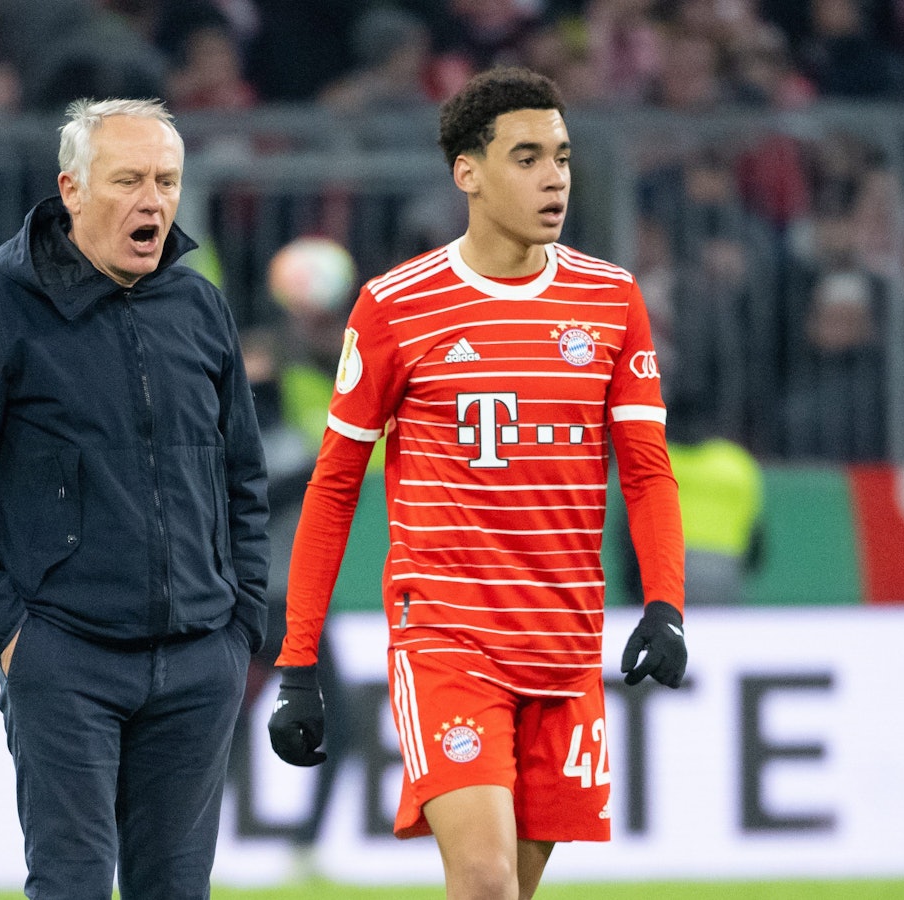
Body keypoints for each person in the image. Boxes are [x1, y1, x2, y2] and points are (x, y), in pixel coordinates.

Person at [266, 66, 687, 900]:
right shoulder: (395, 307)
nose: (554, 177)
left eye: (562, 156)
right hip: (448, 641)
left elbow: (645, 470)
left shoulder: (610, 299)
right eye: (527, 158)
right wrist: (297, 661)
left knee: (510, 893)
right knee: (486, 880)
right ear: (468, 173)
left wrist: (665, 604)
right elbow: (335, 488)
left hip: (565, 645)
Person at [0, 98, 270, 900]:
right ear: (71, 189)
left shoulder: (200, 307)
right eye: (129, 180)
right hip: (64, 659)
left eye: (167, 180)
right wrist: (11, 637)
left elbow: (243, 479)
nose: (154, 201)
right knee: (70, 886)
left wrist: (239, 623)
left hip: (200, 660)